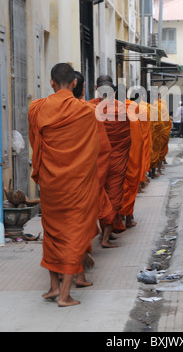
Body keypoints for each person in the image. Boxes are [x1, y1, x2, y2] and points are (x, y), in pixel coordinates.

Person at [28, 63, 100, 307]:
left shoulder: (37, 109)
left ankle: (53, 287)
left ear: (51, 82)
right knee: (73, 234)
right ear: (74, 84)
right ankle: (65, 295)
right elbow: (94, 151)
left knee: (52, 232)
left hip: (50, 183)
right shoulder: (87, 112)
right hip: (77, 184)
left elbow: (35, 142)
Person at [74, 72, 113, 251]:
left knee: (69, 218)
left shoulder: (42, 109)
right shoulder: (92, 111)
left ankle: (74, 256)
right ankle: (100, 240)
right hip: (93, 170)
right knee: (104, 201)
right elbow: (104, 148)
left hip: (61, 175)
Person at [90, 76, 131, 245]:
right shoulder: (121, 110)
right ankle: (105, 237)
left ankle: (104, 233)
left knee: (100, 194)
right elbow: (127, 137)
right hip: (116, 160)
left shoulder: (90, 107)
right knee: (113, 195)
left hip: (96, 161)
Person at [117, 86, 144, 228]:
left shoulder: (108, 109)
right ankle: (128, 217)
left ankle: (117, 217)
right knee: (130, 183)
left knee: (116, 186)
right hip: (131, 154)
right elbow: (138, 134)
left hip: (115, 156)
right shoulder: (133, 107)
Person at [158, 93, 172, 165]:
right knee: (160, 145)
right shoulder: (162, 105)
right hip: (161, 128)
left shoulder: (162, 104)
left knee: (156, 146)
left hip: (158, 128)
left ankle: (162, 159)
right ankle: (161, 161)